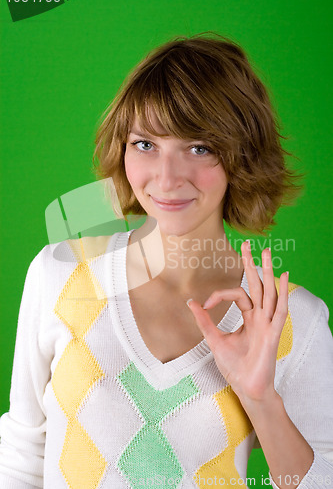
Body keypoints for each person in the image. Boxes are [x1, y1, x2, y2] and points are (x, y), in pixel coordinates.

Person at [0, 33, 332, 489]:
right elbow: (22, 455)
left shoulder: (292, 321)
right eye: (145, 144)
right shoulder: (59, 275)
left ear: (241, 156)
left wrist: (261, 400)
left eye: (200, 148)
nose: (167, 177)